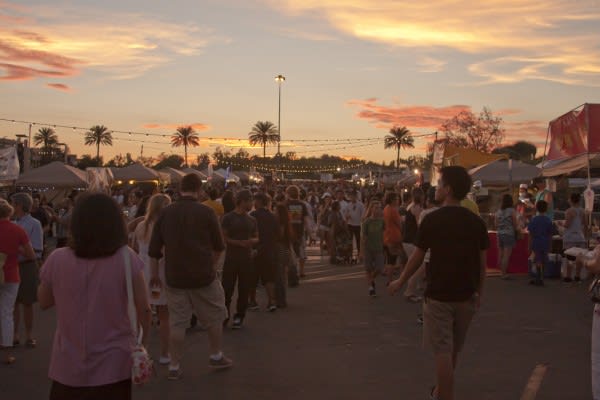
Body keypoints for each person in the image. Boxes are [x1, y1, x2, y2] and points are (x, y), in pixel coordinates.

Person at [38, 193, 151, 399]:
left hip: (68, 364)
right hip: (114, 363)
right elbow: (143, 307)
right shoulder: (126, 257)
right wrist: (144, 343)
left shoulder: (57, 258)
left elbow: (44, 301)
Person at [389, 166, 489, 400]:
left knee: (442, 351)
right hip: (467, 295)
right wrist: (479, 293)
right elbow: (482, 264)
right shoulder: (476, 222)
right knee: (453, 350)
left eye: (440, 184)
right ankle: (439, 391)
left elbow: (417, 257)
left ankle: (445, 395)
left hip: (439, 295)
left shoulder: (433, 220)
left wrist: (400, 281)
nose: (436, 188)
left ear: (449, 189)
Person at [148, 173, 232, 380]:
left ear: (179, 189)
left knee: (177, 322)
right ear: (199, 190)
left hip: (175, 276)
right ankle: (215, 354)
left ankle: (174, 365)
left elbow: (154, 250)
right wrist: (210, 265)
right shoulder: (206, 212)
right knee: (215, 316)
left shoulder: (166, 213)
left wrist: (153, 275)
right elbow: (219, 246)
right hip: (203, 275)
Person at [133, 193, 172, 365]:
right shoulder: (167, 227)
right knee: (165, 316)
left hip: (142, 274)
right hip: (160, 273)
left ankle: (142, 350)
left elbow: (133, 249)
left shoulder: (141, 226)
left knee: (142, 313)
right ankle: (165, 353)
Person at [0, 199, 36, 365]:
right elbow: (31, 255)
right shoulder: (18, 230)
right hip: (11, 274)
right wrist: (16, 249)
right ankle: (7, 353)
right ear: (9, 213)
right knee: (7, 313)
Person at [221, 190, 258, 329]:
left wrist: (251, 242)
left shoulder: (252, 220)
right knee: (227, 289)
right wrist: (238, 243)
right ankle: (224, 315)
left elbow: (257, 236)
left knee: (244, 289)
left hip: (247, 259)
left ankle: (239, 316)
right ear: (242, 201)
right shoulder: (228, 218)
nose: (252, 204)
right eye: (250, 201)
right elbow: (223, 237)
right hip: (231, 258)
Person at [11, 193, 43, 349]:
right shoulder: (12, 223)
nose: (11, 207)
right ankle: (15, 334)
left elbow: (37, 250)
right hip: (12, 265)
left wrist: (16, 248)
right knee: (14, 302)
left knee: (28, 302)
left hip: (28, 265)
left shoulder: (34, 224)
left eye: (14, 204)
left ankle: (29, 335)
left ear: (20, 205)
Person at [248, 193, 279, 311]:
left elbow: (248, 232)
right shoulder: (273, 216)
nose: (253, 203)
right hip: (269, 250)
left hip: (255, 250)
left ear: (260, 202)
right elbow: (277, 234)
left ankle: (253, 301)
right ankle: (272, 302)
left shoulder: (252, 216)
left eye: (255, 201)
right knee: (269, 278)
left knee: (252, 278)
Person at [561, 192, 588, 283]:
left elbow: (567, 224)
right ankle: (577, 275)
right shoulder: (583, 211)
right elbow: (585, 224)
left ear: (571, 200)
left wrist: (561, 224)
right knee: (579, 257)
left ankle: (568, 276)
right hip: (580, 236)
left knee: (570, 257)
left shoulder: (569, 211)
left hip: (570, 236)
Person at [403, 188, 425, 302]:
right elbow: (419, 224)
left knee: (414, 264)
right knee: (417, 265)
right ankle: (410, 290)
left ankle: (414, 286)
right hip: (411, 240)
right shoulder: (416, 207)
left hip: (407, 240)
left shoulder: (410, 206)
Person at [360, 201, 385, 297]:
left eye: (379, 208)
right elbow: (363, 238)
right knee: (368, 269)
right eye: (376, 208)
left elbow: (384, 233)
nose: (378, 210)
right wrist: (361, 252)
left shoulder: (382, 221)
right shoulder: (367, 222)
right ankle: (371, 287)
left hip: (379, 248)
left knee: (379, 268)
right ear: (371, 209)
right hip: (368, 249)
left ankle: (372, 279)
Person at [286, 186, 310, 280]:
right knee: (301, 252)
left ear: (288, 193)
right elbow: (306, 220)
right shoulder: (302, 204)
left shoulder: (285, 204)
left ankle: (290, 271)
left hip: (288, 232)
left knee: (289, 252)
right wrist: (310, 233)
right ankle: (302, 271)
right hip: (300, 232)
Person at [527, 200, 553, 287]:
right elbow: (550, 234)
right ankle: (543, 277)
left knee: (537, 259)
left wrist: (529, 245)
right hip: (545, 241)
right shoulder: (548, 220)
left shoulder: (534, 220)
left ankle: (538, 277)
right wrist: (550, 245)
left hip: (536, 241)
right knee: (544, 259)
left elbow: (530, 234)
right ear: (546, 209)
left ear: (537, 208)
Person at [495, 194, 519, 279]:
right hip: (508, 234)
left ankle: (500, 272)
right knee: (506, 255)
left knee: (500, 253)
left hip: (499, 234)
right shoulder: (512, 211)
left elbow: (496, 224)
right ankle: (503, 273)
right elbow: (515, 224)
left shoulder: (498, 211)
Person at [274, 204, 293, 308]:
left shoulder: (281, 224)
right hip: (285, 250)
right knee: (282, 276)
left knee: (279, 277)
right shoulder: (287, 223)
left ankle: (280, 300)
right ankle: (282, 299)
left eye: (276, 211)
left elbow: (280, 236)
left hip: (280, 250)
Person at [383, 192, 404, 283]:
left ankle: (390, 279)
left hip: (387, 236)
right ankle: (395, 279)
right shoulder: (393, 210)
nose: (398, 200)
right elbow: (399, 224)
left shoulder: (385, 209)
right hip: (394, 236)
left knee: (390, 259)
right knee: (397, 258)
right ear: (392, 200)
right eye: (396, 199)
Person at [345, 190, 365, 259]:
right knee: (350, 239)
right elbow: (346, 214)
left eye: (353, 196)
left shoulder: (361, 205)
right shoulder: (348, 205)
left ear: (356, 196)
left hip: (358, 225)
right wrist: (347, 216)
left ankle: (360, 253)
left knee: (358, 239)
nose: (352, 198)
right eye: (351, 196)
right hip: (350, 224)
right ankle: (349, 253)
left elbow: (363, 214)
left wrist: (362, 221)